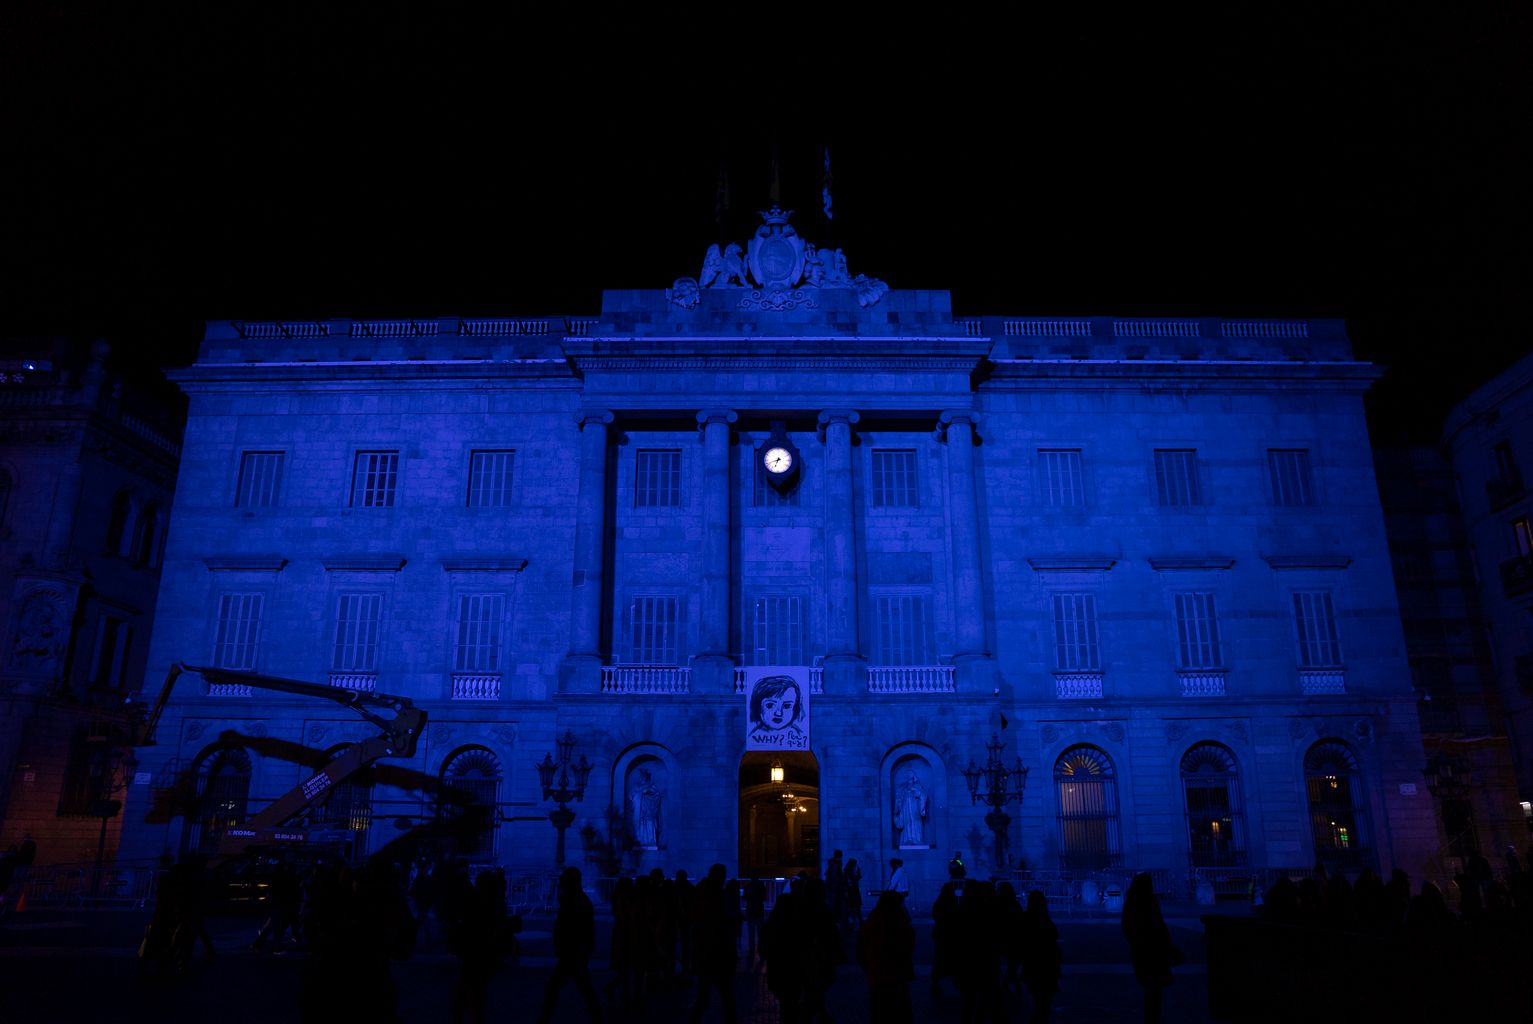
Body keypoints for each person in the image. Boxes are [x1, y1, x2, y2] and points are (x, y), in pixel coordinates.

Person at [536, 868, 604, 1023]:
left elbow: (569, 927)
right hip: (575, 952)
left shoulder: (572, 900)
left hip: (572, 952)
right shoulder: (579, 900)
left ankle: (543, 1019)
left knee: (557, 988)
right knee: (583, 988)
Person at [1121, 873, 1179, 1024]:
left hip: (1140, 950)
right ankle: (1153, 1019)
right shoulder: (1149, 902)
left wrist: (1135, 942)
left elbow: (1126, 927)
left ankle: (1151, 1018)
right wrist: (1169, 946)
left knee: (1151, 989)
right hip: (1154, 951)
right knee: (1155, 990)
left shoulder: (1131, 902)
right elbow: (1159, 926)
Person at [687, 864, 743, 1023]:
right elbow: (718, 923)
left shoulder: (702, 892)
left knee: (705, 998)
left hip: (706, 954)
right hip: (716, 955)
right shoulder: (715, 896)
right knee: (726, 998)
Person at [859, 890, 915, 1024]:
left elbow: (860, 951)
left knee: (879, 1009)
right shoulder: (901, 923)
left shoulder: (871, 922)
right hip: (897, 975)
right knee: (899, 1009)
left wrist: (868, 966)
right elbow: (907, 948)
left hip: (876, 974)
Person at [1021, 889, 1062, 1024]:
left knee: (1039, 1002)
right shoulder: (1046, 921)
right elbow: (1053, 939)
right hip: (1048, 964)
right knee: (1044, 1003)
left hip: (1033, 964)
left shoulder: (1026, 919)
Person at [748, 674, 805, 740]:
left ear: (795, 708)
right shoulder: (753, 736)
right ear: (758, 707)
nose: (779, 713)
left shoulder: (799, 734)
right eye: (770, 705)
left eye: (787, 706)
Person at [894, 772, 927, 846]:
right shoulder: (902, 787)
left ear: (913, 776)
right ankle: (907, 840)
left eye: (910, 774)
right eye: (907, 774)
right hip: (905, 808)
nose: (909, 776)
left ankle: (917, 839)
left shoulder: (918, 786)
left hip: (914, 807)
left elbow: (923, 795)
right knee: (907, 823)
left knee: (916, 822)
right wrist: (898, 806)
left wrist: (918, 793)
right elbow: (898, 798)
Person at [743, 872, 767, 966]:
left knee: (751, 933)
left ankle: (751, 950)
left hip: (750, 911)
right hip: (759, 911)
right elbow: (764, 897)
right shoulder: (761, 885)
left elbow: (745, 897)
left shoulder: (748, 885)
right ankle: (761, 950)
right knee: (760, 933)